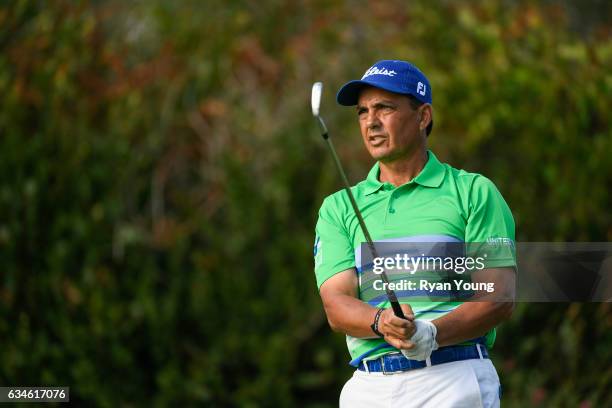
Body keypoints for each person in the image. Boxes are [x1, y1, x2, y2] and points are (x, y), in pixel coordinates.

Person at [313, 60, 516, 407]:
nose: (371, 122)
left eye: (384, 108)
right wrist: (381, 321)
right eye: (362, 112)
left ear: (423, 117)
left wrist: (433, 334)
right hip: (369, 387)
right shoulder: (339, 207)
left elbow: (498, 295)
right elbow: (337, 304)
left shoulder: (473, 192)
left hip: (453, 378)